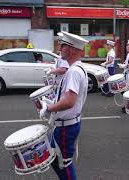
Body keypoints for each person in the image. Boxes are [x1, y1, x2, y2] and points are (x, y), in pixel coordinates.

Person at [39, 31, 88, 180]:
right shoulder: (78, 68)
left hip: (67, 127)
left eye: (63, 46)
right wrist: (52, 103)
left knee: (64, 164)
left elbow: (69, 102)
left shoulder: (73, 72)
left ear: (72, 49)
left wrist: (49, 108)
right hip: (66, 125)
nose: (59, 49)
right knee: (54, 159)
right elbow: (68, 98)